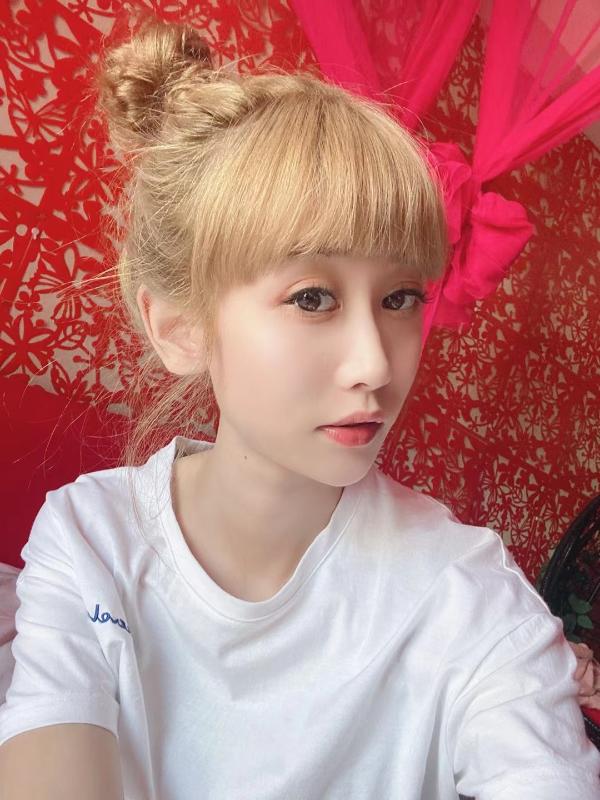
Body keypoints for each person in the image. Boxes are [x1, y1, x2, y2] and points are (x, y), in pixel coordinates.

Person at [0, 15, 599, 800]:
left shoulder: (472, 597)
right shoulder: (92, 540)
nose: (376, 364)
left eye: (401, 297)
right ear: (180, 328)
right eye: (313, 297)